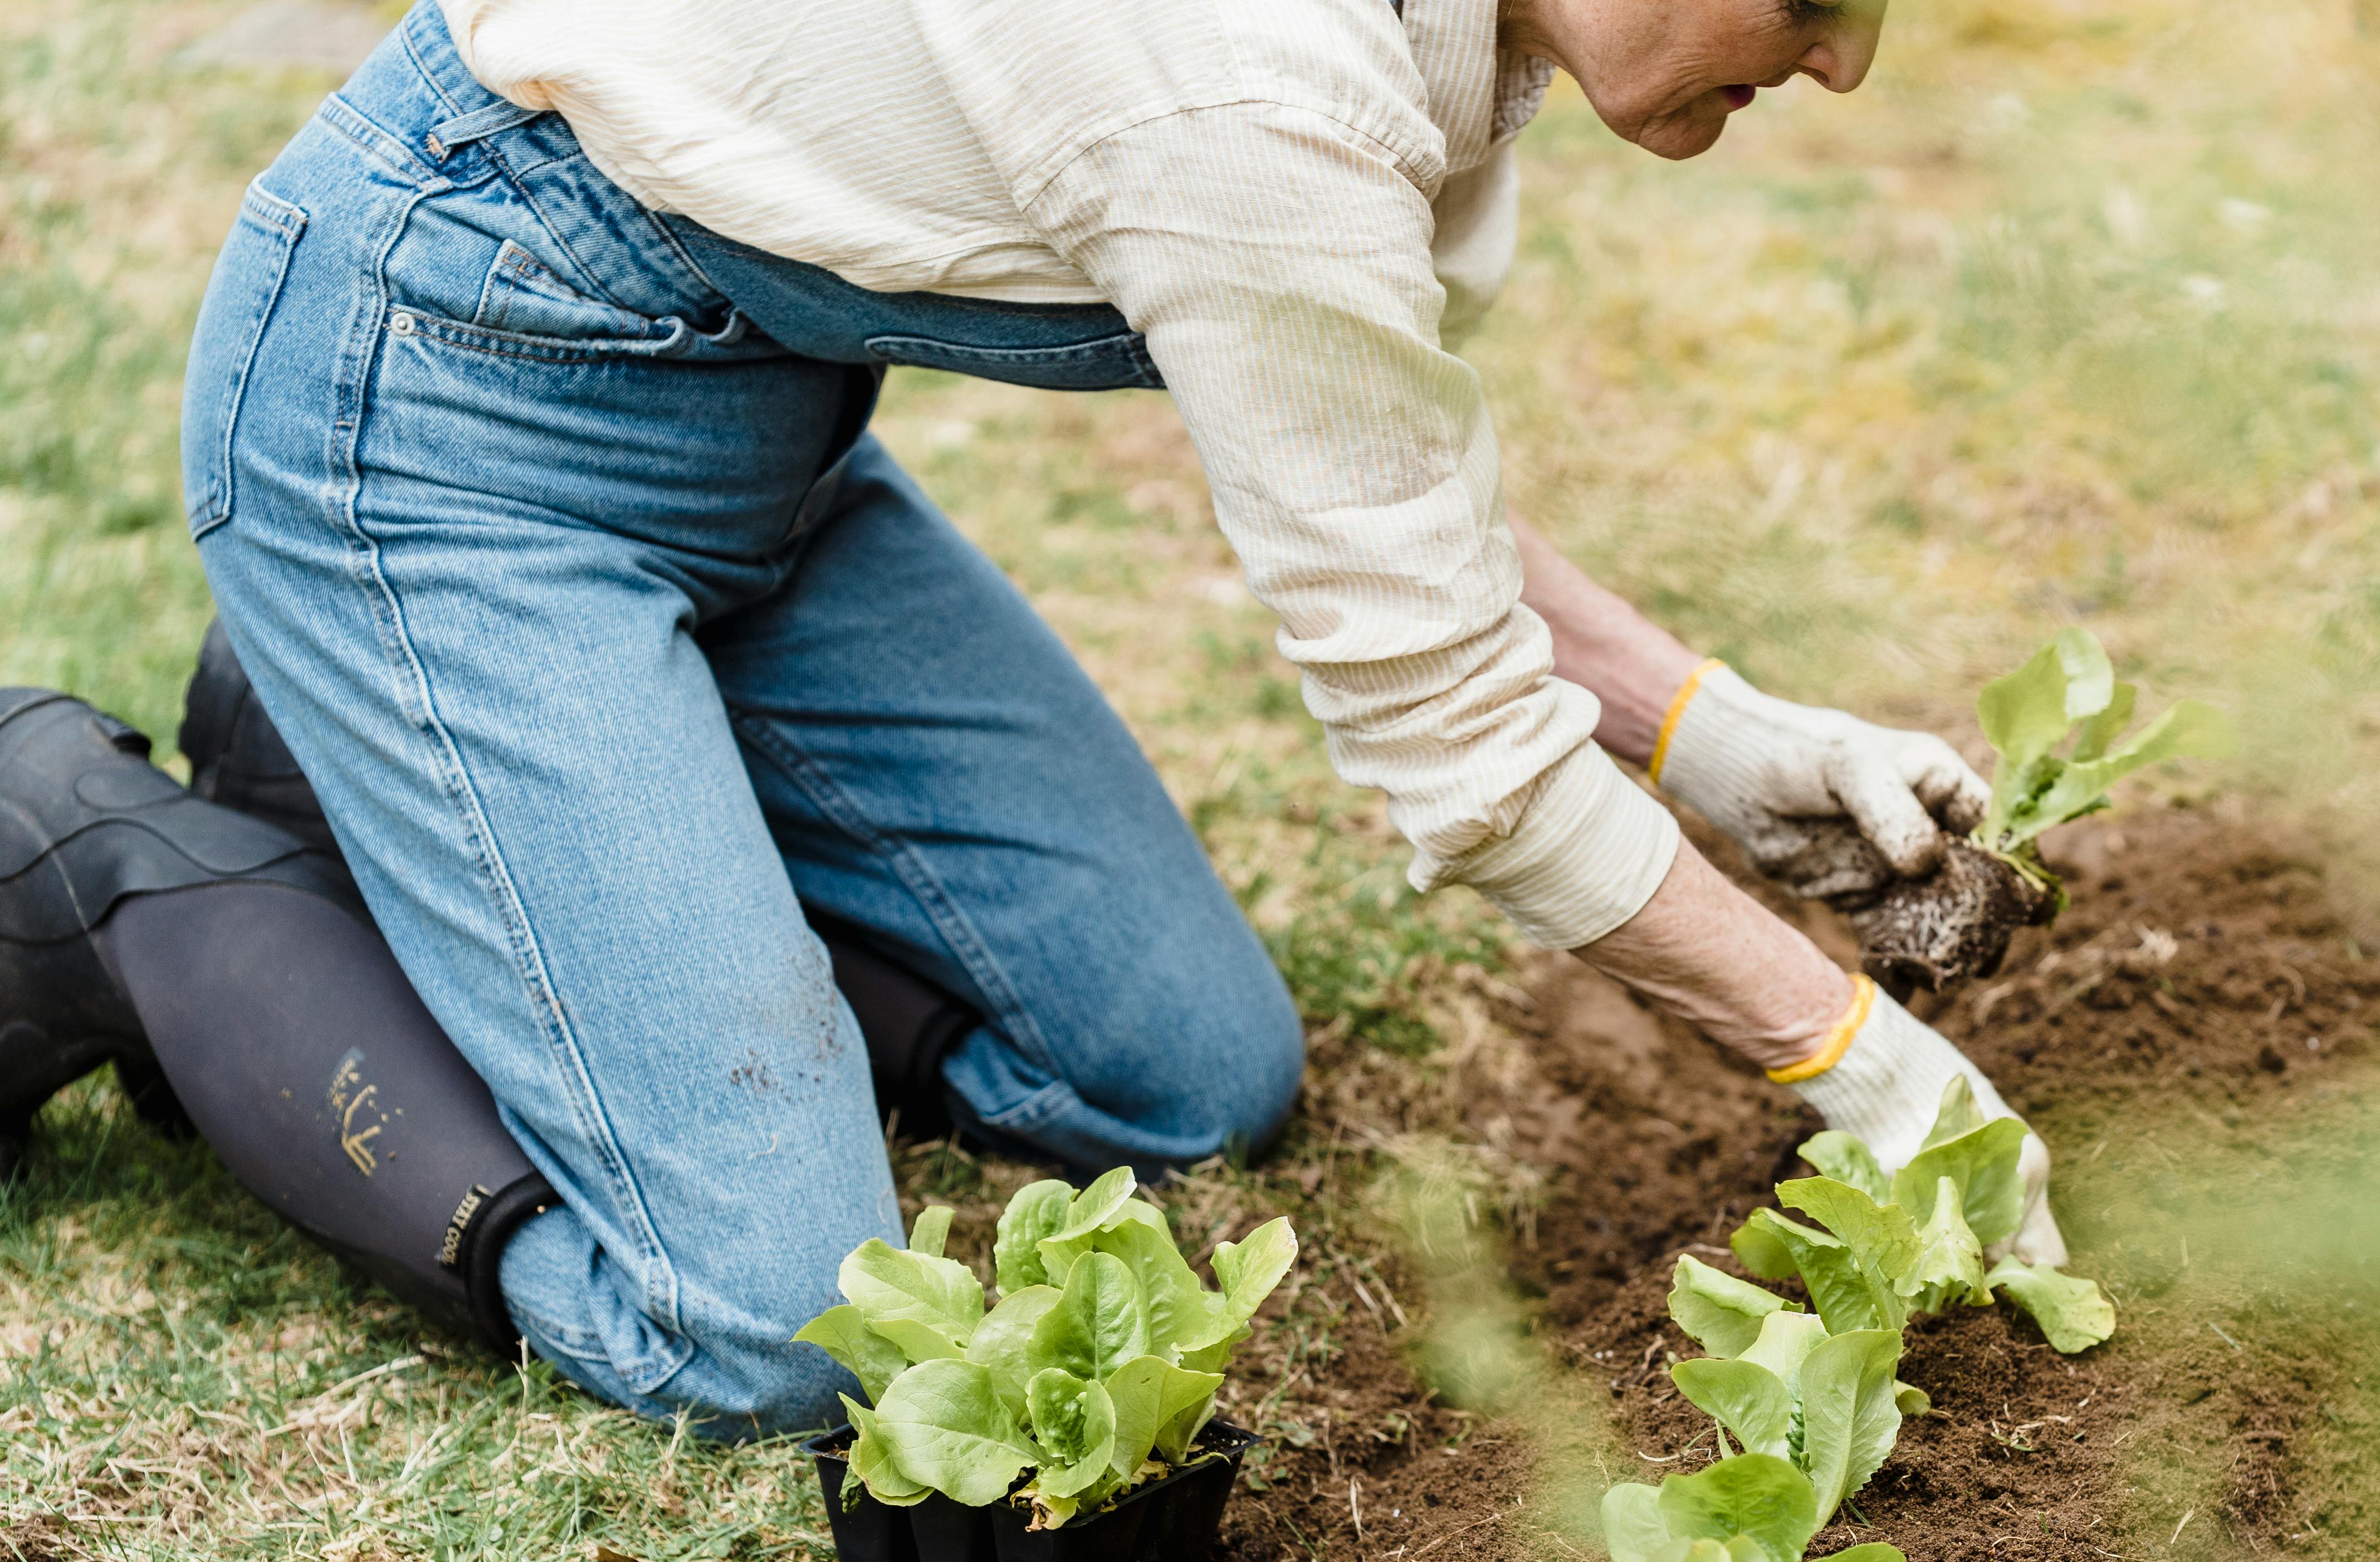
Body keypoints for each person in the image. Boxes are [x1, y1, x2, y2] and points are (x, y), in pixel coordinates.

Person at [0, 0, 2061, 1433]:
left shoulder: (1430, 49)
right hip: (437, 420)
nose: (1851, 63)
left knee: (1185, 1075)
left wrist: (1709, 734)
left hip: (756, 458)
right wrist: (1867, 1069)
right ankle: (103, 871)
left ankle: (382, 747)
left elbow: (1341, 452)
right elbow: (1455, 745)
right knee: (777, 1331)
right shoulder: (1250, 73)